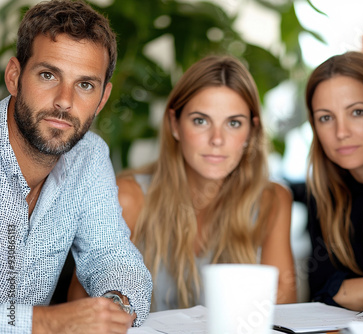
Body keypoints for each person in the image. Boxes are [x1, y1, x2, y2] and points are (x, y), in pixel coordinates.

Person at [69, 55, 297, 310]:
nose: (217, 139)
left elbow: (283, 313)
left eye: (233, 123)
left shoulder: (272, 200)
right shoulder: (129, 198)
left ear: (251, 132)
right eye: (201, 121)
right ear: (175, 125)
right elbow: (82, 311)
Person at [0, 1, 152, 333]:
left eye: (85, 85)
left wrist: (115, 306)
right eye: (47, 75)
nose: (65, 101)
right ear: (14, 77)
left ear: (102, 98)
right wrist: (48, 322)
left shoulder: (90, 155)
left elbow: (111, 255)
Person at [298, 51, 363, 311]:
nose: (341, 132)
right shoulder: (324, 194)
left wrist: (359, 289)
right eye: (326, 118)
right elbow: (323, 289)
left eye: (357, 112)